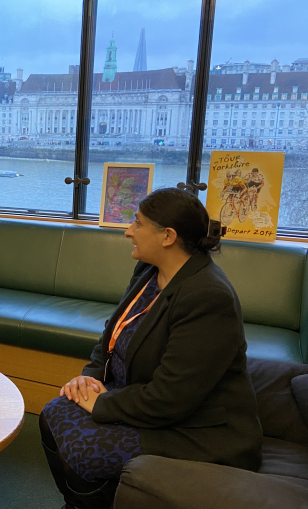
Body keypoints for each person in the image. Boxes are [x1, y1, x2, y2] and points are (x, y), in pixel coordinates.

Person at [39, 188, 262, 509]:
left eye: (138, 223)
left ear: (168, 236)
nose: (129, 231)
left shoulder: (208, 297)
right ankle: (79, 503)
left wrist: (101, 404)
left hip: (195, 429)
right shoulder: (149, 271)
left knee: (85, 449)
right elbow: (112, 334)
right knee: (53, 413)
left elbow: (171, 399)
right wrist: (89, 379)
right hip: (137, 395)